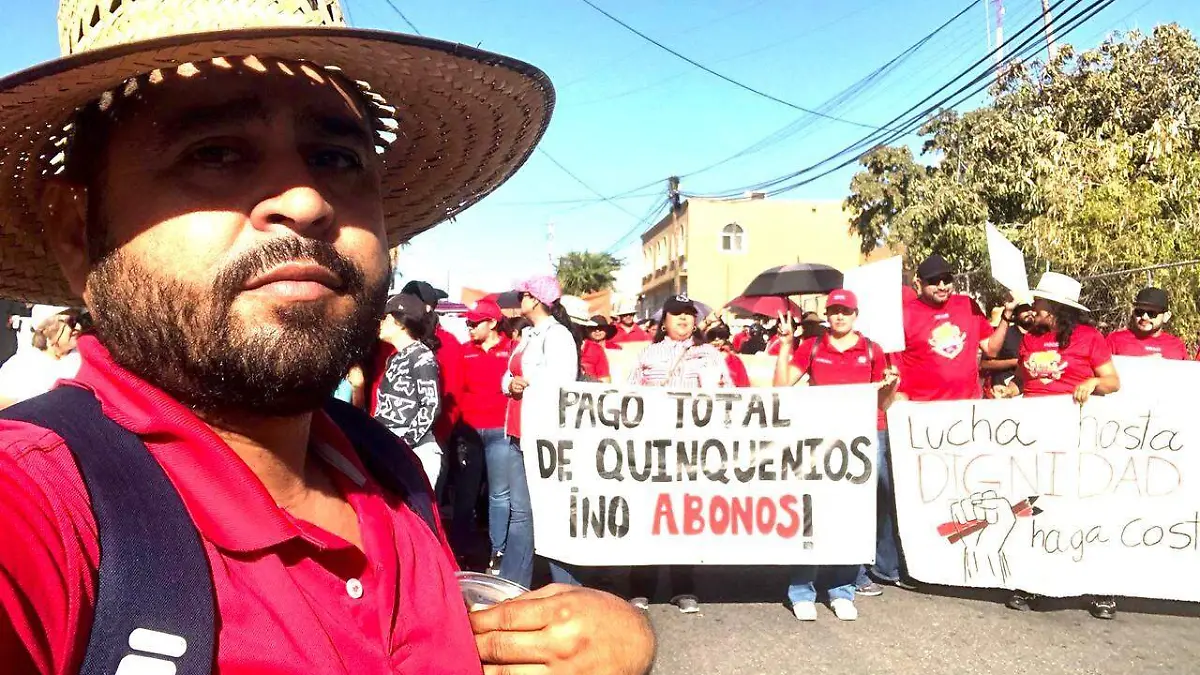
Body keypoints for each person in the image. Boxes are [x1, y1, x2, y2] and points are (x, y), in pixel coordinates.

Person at [0, 3, 654, 672]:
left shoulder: (385, 471)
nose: (309, 201)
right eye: (215, 152)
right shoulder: (40, 507)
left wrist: (587, 640)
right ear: (76, 231)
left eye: (336, 157)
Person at [773, 290, 901, 621]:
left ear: (856, 314)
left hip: (860, 439)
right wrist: (786, 345)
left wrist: (891, 385)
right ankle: (802, 590)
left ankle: (842, 589)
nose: (839, 316)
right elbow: (782, 386)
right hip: (819, 440)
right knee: (811, 513)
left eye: (845, 311)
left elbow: (882, 402)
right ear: (827, 315)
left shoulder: (873, 350)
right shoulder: (813, 346)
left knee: (853, 513)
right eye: (834, 311)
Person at [1004, 273, 1121, 619]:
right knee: (1033, 507)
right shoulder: (1029, 341)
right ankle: (1030, 581)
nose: (1033, 309)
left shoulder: (1089, 337)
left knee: (1083, 508)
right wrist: (1011, 390)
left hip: (1077, 435)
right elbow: (1024, 382)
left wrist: (1094, 381)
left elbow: (1113, 381)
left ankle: (1101, 590)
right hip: (1033, 436)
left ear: (1056, 309)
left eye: (1039, 304)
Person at [627, 295, 733, 614]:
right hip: (654, 447)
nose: (684, 320)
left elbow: (729, 395)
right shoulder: (647, 354)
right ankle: (640, 586)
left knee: (684, 515)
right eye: (677, 314)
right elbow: (628, 397)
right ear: (664, 320)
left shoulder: (710, 354)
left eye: (689, 314)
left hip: (693, 449)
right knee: (650, 514)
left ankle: (683, 587)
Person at [499, 276, 581, 587]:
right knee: (522, 514)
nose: (519, 299)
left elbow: (563, 381)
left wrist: (526, 382)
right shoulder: (530, 334)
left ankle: (566, 585)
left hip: (544, 436)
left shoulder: (557, 335)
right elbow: (505, 377)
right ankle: (514, 585)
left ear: (535, 299)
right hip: (518, 433)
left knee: (547, 511)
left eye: (522, 295)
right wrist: (512, 384)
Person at [896, 254, 1013, 402]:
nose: (942, 286)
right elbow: (895, 367)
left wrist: (1007, 315)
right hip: (925, 408)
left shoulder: (968, 305)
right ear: (919, 283)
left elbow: (991, 349)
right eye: (934, 281)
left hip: (968, 404)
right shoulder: (905, 314)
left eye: (947, 279)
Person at [456, 299, 513, 563]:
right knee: (466, 493)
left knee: (499, 494)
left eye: (475, 322)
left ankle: (498, 549)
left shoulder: (512, 349)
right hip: (469, 431)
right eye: (468, 322)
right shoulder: (463, 351)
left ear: (492, 323)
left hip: (500, 431)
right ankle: (460, 549)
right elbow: (457, 389)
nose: (469, 327)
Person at [375, 294, 444, 488]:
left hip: (414, 452)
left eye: (385, 318)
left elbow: (431, 406)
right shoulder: (395, 358)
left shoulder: (422, 357)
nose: (380, 323)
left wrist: (404, 444)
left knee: (416, 516)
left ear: (400, 323)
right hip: (390, 449)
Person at [0, 309, 84, 409]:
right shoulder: (20, 367)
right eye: (71, 322)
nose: (79, 327)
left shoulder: (86, 353)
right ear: (46, 330)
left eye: (79, 320)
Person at [1105, 287, 1189, 360]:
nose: (1144, 317)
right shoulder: (1115, 340)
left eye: (1151, 313)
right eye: (1139, 312)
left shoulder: (1177, 345)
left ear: (1166, 316)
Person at [982, 297, 1036, 398]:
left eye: (1032, 308)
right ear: (1016, 312)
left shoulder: (1038, 337)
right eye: (1025, 309)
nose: (1029, 312)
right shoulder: (1004, 334)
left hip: (1027, 393)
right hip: (1002, 391)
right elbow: (984, 364)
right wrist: (1014, 362)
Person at [582, 315, 617, 383]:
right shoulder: (579, 345)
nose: (597, 331)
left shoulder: (616, 348)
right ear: (587, 330)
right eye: (593, 328)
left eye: (601, 328)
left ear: (606, 330)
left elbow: (605, 380)